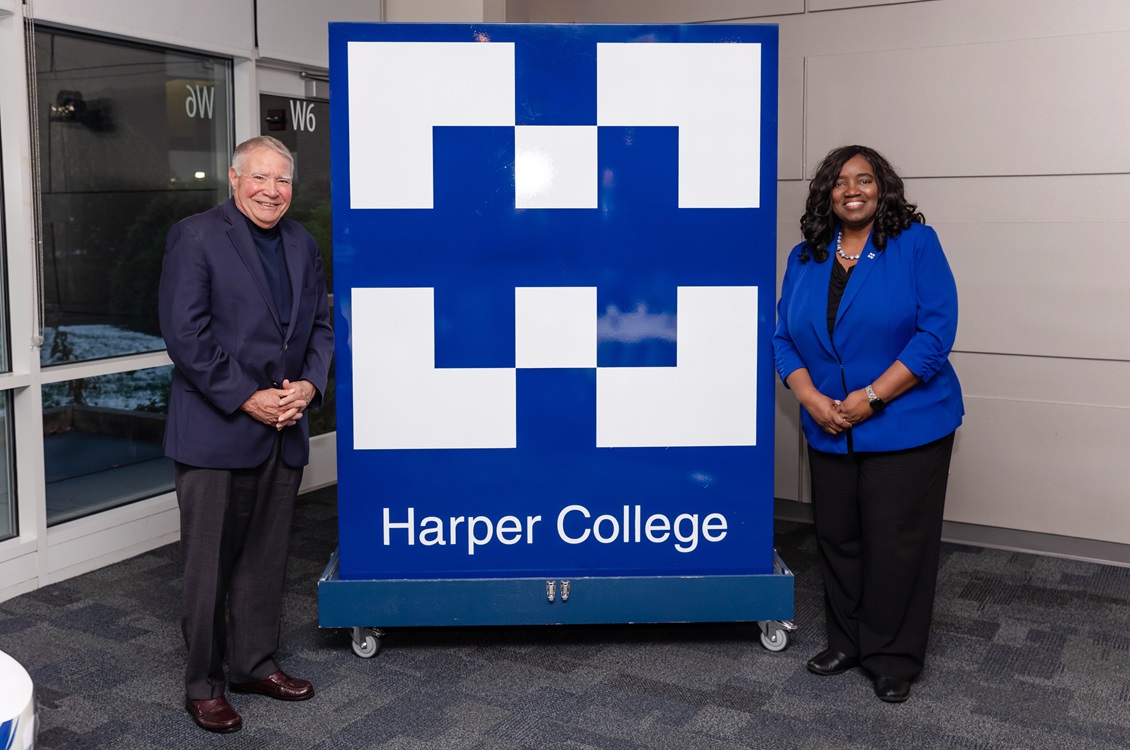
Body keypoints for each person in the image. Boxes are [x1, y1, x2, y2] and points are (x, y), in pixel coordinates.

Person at [772, 145, 964, 703]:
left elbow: (935, 333)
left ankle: (892, 656)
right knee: (838, 537)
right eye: (839, 181)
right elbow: (783, 337)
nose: (851, 189)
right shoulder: (804, 256)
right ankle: (848, 640)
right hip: (829, 423)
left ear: (883, 188)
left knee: (895, 542)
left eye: (864, 179)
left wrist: (873, 397)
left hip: (906, 421)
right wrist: (809, 398)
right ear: (826, 194)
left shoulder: (915, 245)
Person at [158, 135, 334, 732]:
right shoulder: (197, 235)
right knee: (208, 567)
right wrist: (247, 397)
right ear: (234, 180)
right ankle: (204, 683)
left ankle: (253, 663)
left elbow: (321, 326)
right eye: (259, 178)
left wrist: (309, 387)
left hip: (284, 427)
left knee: (265, 559)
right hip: (217, 430)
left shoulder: (303, 243)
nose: (271, 190)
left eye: (282, 181)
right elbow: (186, 335)